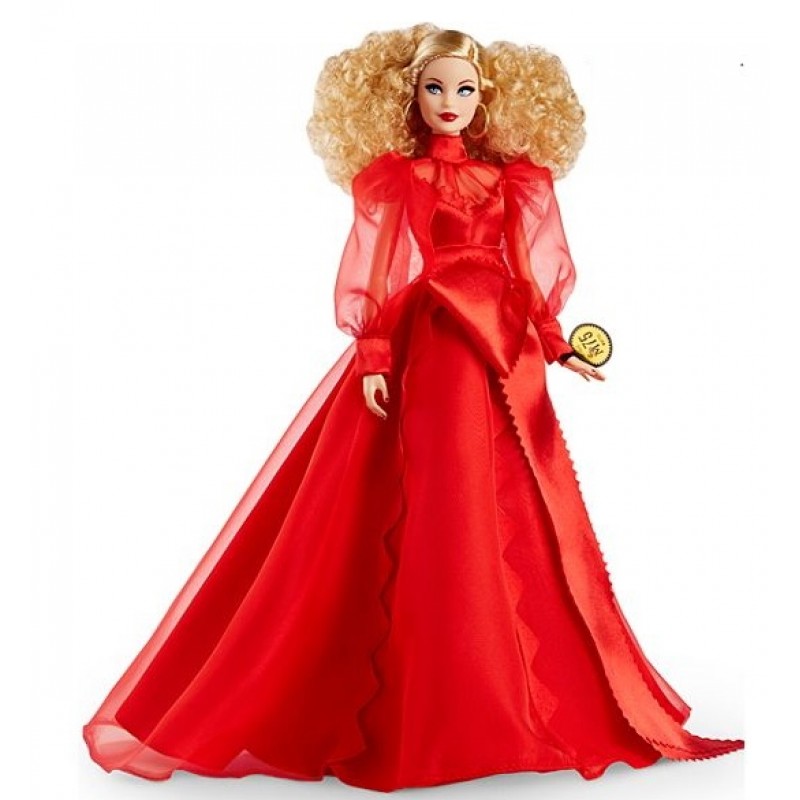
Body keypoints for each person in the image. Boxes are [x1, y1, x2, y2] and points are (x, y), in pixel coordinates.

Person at [82, 23, 744, 791]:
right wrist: (373, 354)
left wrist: (559, 343)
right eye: (434, 87)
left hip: (501, 347)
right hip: (429, 341)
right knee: (428, 496)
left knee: (512, 501)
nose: (449, 101)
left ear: (487, 96)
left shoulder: (510, 180)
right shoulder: (398, 178)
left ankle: (508, 679)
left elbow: (529, 278)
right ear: (410, 95)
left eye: (464, 88)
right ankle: (418, 692)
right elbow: (376, 272)